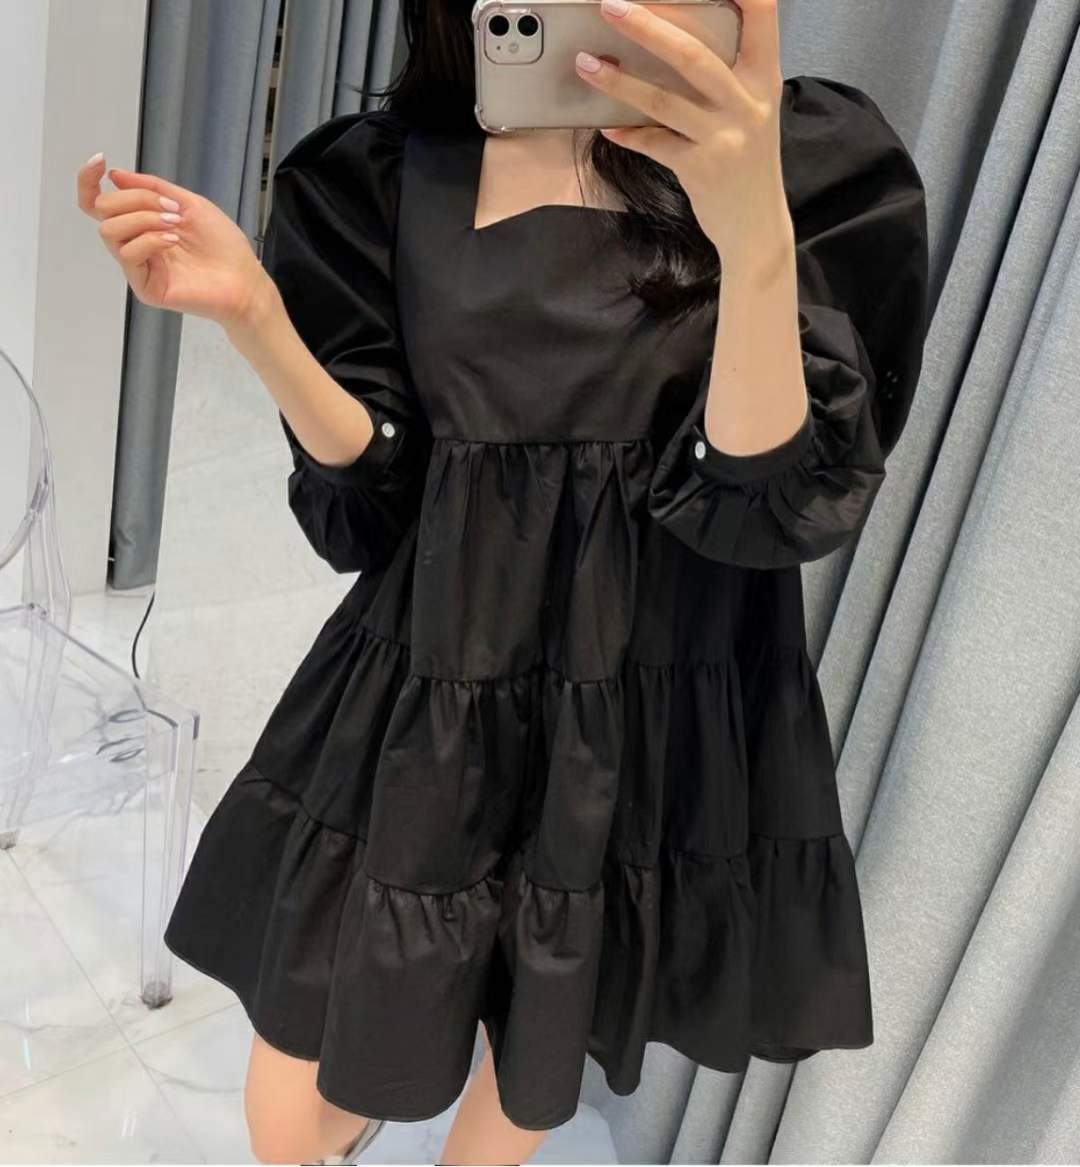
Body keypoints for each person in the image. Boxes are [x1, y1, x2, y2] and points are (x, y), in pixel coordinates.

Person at [76, 0, 928, 1162]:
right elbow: (375, 499)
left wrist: (754, 232)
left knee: (541, 1039)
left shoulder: (819, 163)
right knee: (293, 1107)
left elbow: (767, 504)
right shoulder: (385, 177)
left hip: (650, 697)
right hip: (437, 672)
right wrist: (253, 316)